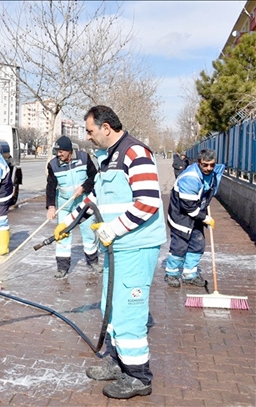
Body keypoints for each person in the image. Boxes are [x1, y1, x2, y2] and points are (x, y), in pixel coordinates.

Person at [53, 105, 166, 399]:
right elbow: (94, 199)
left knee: (129, 312)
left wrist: (113, 228)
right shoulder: (106, 159)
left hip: (136, 247)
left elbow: (148, 202)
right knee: (110, 307)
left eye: (90, 131)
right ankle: (118, 362)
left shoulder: (135, 153)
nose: (88, 138)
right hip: (117, 248)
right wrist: (67, 223)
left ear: (106, 128)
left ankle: (139, 377)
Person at [164, 149, 224, 287]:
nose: (209, 168)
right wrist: (205, 218)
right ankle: (172, 273)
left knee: (198, 244)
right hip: (181, 215)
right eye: (205, 165)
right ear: (199, 163)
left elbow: (209, 189)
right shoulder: (190, 179)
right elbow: (188, 207)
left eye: (212, 165)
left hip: (197, 212)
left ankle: (189, 274)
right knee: (180, 245)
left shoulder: (213, 173)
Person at [46, 135, 100, 278]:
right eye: (57, 152)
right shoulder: (53, 165)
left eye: (61, 152)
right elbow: (50, 186)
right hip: (64, 205)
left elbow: (94, 177)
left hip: (84, 203)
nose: (59, 155)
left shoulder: (84, 158)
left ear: (69, 150)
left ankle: (93, 262)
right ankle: (62, 267)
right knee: (62, 234)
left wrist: (83, 187)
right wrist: (51, 206)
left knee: (89, 233)